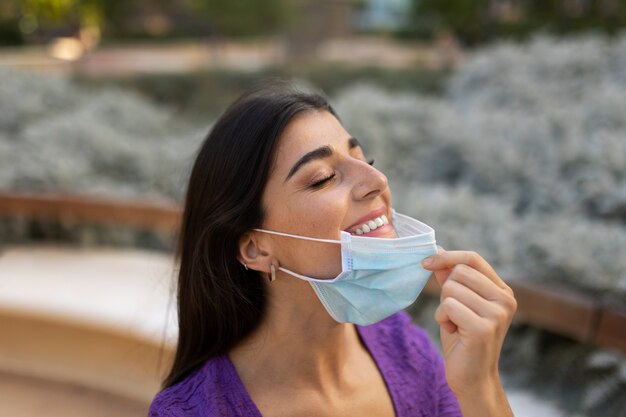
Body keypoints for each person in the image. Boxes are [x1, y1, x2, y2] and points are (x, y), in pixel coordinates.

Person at [149, 84, 517, 417]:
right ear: (254, 248)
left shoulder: (404, 346)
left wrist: (480, 387)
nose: (376, 181)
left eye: (364, 160)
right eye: (323, 178)